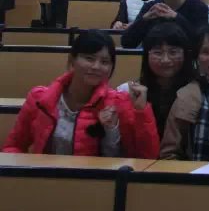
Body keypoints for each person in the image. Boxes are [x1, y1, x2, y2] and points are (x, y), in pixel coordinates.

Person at [2, 30, 158, 157]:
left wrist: (141, 112)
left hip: (96, 183)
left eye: (104, 62)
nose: (96, 67)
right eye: (89, 58)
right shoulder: (39, 98)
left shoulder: (120, 102)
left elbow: (145, 157)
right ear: (72, 60)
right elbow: (13, 146)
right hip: (43, 180)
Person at [159, 24, 209, 160]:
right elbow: (169, 154)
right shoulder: (188, 95)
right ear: (197, 57)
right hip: (198, 172)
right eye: (206, 52)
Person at [119, 23, 195, 138]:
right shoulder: (128, 91)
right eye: (158, 53)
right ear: (146, 56)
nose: (165, 60)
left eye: (173, 52)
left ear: (185, 55)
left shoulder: (197, 92)